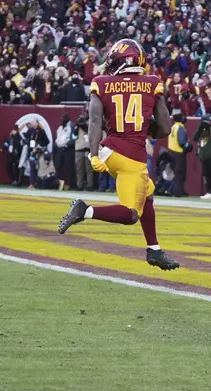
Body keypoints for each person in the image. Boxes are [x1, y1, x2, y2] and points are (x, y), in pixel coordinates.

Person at [57, 39, 179, 271]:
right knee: (131, 214)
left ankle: (154, 249)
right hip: (131, 156)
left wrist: (93, 155)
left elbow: (94, 121)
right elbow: (165, 128)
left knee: (148, 194)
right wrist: (145, 128)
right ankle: (85, 210)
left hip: (109, 150)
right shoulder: (152, 83)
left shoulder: (101, 83)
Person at [167, 112, 192, 197]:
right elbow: (181, 142)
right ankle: (178, 192)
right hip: (179, 152)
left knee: (175, 172)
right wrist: (188, 146)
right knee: (180, 173)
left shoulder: (173, 127)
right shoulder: (180, 127)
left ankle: (173, 190)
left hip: (172, 151)